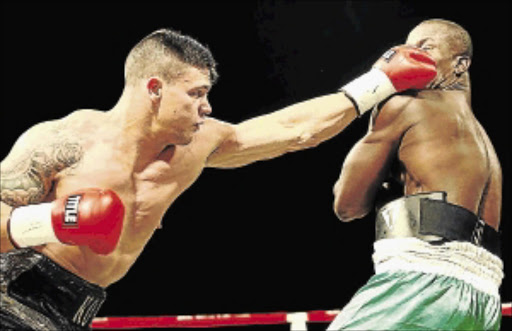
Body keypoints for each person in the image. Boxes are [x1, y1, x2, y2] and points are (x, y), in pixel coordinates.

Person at [0, 28, 436, 330]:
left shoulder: (199, 145)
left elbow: (292, 131)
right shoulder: (65, 141)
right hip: (12, 294)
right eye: (195, 94)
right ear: (154, 89)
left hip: (73, 310)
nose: (206, 107)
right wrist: (55, 221)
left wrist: (379, 83)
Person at [329, 19, 503, 330]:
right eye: (409, 49)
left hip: (422, 284)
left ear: (460, 64)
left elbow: (347, 205)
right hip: (484, 300)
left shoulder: (405, 106)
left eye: (426, 48)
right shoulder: (484, 142)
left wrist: (377, 87)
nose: (412, 57)